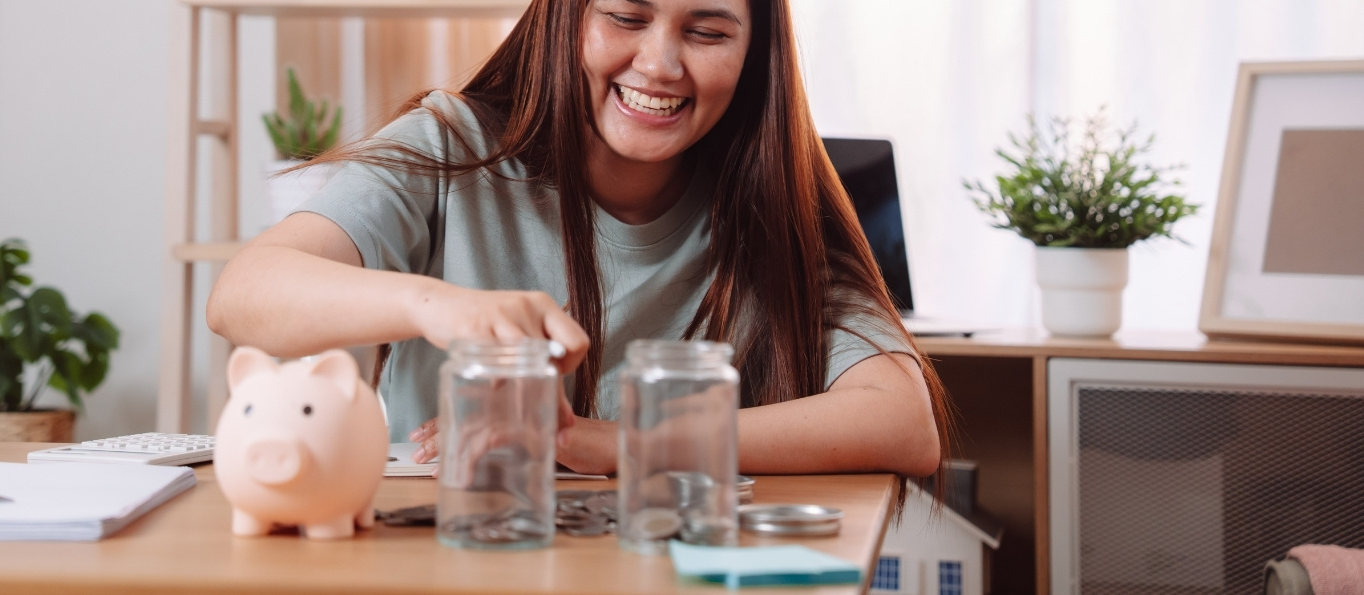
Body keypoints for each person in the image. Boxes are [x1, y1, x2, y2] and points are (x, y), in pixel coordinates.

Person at [207, 0, 948, 479]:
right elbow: (243, 294)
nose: (660, 63)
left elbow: (903, 422)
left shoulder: (779, 205)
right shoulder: (451, 146)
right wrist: (438, 306)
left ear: (755, 54)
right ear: (566, 17)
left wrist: (617, 442)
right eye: (626, 15)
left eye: (708, 30)